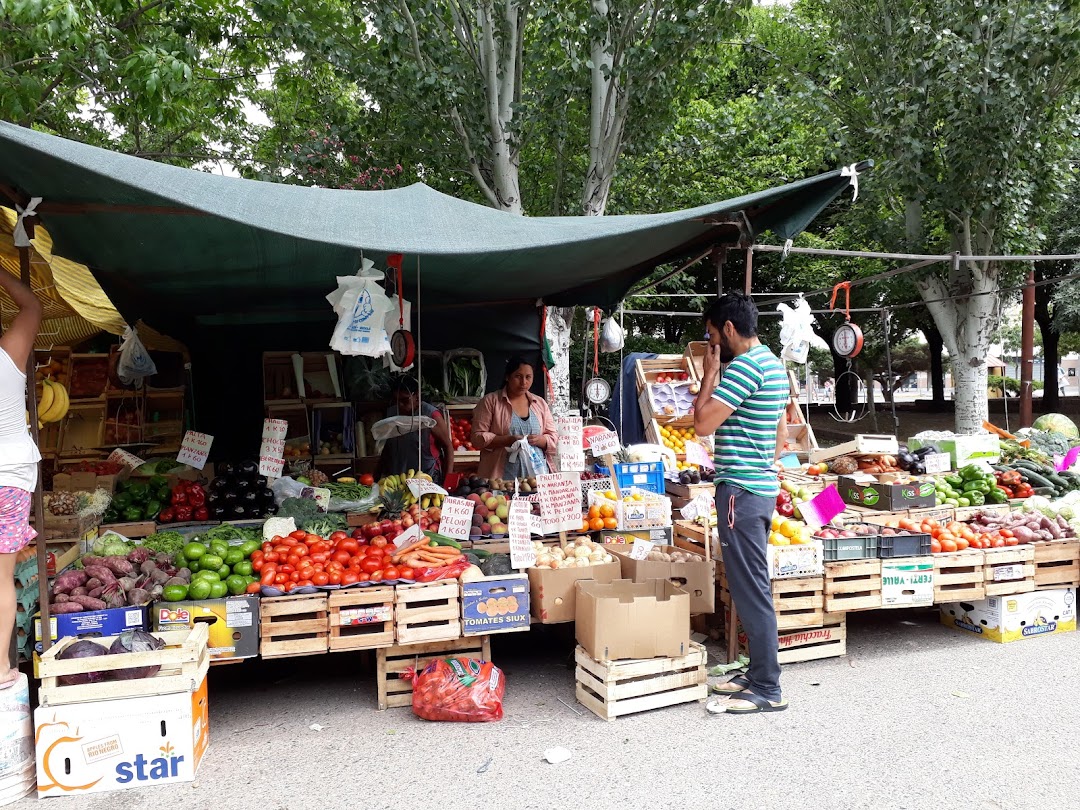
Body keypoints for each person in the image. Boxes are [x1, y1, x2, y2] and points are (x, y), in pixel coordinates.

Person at [693, 293, 789, 715]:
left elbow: (701, 424)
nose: (714, 344)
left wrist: (709, 375)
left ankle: (767, 687)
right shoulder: (773, 363)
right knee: (753, 587)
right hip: (760, 489)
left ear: (729, 329)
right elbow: (781, 437)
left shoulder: (744, 367)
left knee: (751, 591)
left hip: (741, 494)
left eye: (713, 335)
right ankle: (756, 675)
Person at [0, 271, 43, 689]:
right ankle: (1, 670)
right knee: (2, 579)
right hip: (9, 479)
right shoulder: (6, 356)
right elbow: (32, 307)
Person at [471, 356, 557, 480]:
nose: (524, 382)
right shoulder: (490, 402)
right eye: (518, 376)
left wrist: (540, 440)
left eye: (528, 377)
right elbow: (477, 438)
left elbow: (553, 437)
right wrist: (507, 440)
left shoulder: (540, 403)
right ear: (507, 377)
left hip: (537, 475)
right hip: (500, 477)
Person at [378, 376, 454, 484]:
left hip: (428, 477)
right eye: (396, 400)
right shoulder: (392, 414)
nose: (400, 405)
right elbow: (388, 446)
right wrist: (377, 474)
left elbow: (448, 446)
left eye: (405, 400)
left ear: (417, 396)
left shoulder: (431, 415)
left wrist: (448, 480)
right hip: (399, 476)